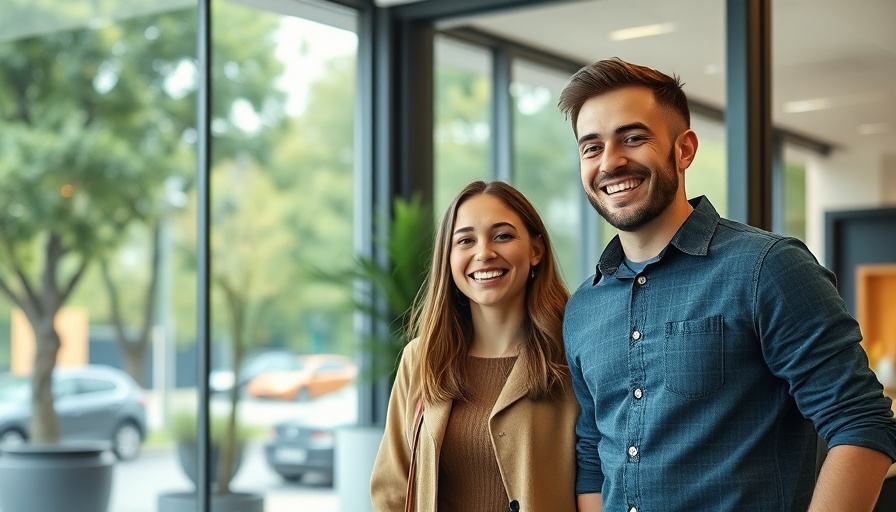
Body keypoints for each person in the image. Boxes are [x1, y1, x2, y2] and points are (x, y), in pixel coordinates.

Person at [557, 57, 896, 511]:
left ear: (684, 149)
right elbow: (593, 455)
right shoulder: (584, 307)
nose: (611, 162)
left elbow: (860, 420)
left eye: (633, 138)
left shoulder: (767, 268)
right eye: (591, 147)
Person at [370, 180, 578, 511]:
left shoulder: (571, 356)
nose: (484, 253)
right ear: (448, 258)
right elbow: (391, 490)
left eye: (503, 236)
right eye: (466, 240)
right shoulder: (421, 360)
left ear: (536, 250)